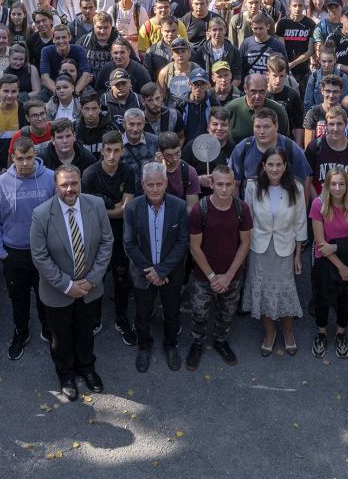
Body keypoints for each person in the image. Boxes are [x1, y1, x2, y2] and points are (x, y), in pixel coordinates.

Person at [28, 165, 112, 400]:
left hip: (90, 288)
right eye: (64, 184)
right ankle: (65, 373)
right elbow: (40, 256)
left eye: (74, 183)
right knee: (61, 336)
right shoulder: (42, 214)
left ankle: (86, 367)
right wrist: (67, 286)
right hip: (57, 292)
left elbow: (107, 242)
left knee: (85, 331)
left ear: (80, 183)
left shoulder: (95, 205)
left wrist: (92, 279)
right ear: (55, 186)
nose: (70, 189)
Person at [0, 137, 54, 361]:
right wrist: (0, 250)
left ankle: (47, 328)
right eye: (20, 158)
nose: (25, 163)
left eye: (30, 158)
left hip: (43, 251)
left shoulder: (51, 179)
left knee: (46, 296)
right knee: (18, 298)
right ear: (13, 157)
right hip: (13, 252)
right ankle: (21, 332)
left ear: (36, 156)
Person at [121, 161, 189, 372]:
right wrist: (150, 271)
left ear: (166, 183)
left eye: (159, 184)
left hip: (171, 273)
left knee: (172, 312)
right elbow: (129, 244)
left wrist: (161, 270)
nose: (155, 189)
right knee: (143, 313)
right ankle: (144, 346)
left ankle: (171, 345)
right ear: (142, 184)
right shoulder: (132, 208)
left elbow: (182, 243)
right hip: (143, 274)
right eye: (150, 184)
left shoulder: (179, 206)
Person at [185, 164, 251, 371]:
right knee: (199, 313)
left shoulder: (242, 208)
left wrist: (229, 275)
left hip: (232, 275)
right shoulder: (200, 209)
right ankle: (197, 343)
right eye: (220, 184)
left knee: (226, 313)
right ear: (211, 184)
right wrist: (213, 277)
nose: (224, 189)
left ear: (234, 185)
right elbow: (194, 247)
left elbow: (245, 243)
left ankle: (220, 340)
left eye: (229, 184)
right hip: (204, 277)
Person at [246, 148, 308, 357]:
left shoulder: (296, 188)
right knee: (263, 292)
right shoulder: (252, 187)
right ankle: (270, 333)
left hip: (284, 249)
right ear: (263, 166)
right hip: (259, 249)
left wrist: (298, 255)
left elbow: (300, 223)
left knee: (285, 292)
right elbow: (247, 220)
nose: (274, 169)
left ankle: (288, 333)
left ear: (284, 166)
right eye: (270, 164)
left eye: (278, 164)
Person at [307, 169, 348, 359]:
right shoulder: (318, 204)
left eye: (342, 184)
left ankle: (340, 333)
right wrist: (341, 267)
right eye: (333, 184)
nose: (337, 188)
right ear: (327, 186)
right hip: (325, 260)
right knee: (321, 299)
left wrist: (336, 248)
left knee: (344, 300)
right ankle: (321, 334)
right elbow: (321, 244)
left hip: (345, 256)